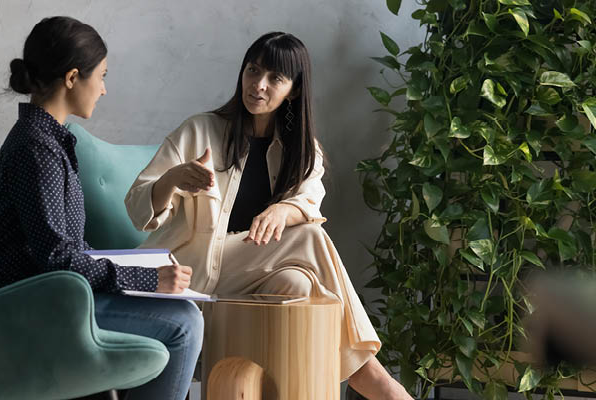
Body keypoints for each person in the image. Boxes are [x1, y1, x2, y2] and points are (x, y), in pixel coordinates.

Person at [125, 32, 411, 399]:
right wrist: (172, 179)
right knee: (310, 237)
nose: (258, 85)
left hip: (247, 279)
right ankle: (375, 382)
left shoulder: (303, 149)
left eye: (275, 78)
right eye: (253, 71)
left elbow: (310, 197)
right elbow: (136, 206)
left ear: (292, 90)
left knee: (297, 285)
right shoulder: (200, 130)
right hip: (190, 272)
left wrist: (283, 209)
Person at [0, 16, 202, 400]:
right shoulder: (36, 149)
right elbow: (57, 258)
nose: (105, 89)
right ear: (73, 77)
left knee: (180, 314)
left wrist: (138, 271)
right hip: (24, 302)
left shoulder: (46, 140)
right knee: (183, 325)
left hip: (48, 292)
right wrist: (146, 280)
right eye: (102, 75)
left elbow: (63, 248)